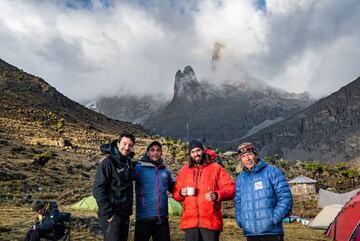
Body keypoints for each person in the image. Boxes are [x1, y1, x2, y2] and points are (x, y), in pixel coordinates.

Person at [173, 140, 235, 241]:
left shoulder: (216, 168)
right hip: (190, 223)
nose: (196, 154)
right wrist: (181, 193)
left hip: (211, 222)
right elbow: (175, 194)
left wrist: (217, 195)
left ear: (203, 151)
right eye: (193, 152)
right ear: (190, 154)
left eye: (198, 150)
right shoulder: (184, 171)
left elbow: (231, 188)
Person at [235, 142, 293, 241]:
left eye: (250, 154)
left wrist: (273, 219)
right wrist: (241, 221)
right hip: (250, 233)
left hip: (272, 232)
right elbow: (238, 202)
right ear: (240, 159)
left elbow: (286, 198)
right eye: (243, 156)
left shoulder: (272, 171)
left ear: (255, 154)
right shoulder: (241, 178)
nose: (247, 159)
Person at [93, 132, 136, 241]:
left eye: (130, 145)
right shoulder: (108, 162)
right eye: (124, 144)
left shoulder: (128, 163)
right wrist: (109, 213)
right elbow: (98, 190)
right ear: (117, 144)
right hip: (112, 214)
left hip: (124, 214)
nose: (126, 148)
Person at [133, 141, 175, 241]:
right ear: (147, 153)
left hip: (162, 219)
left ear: (161, 153)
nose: (155, 153)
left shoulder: (166, 171)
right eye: (152, 150)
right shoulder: (139, 168)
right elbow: (123, 177)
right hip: (143, 219)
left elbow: (174, 188)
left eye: (158, 150)